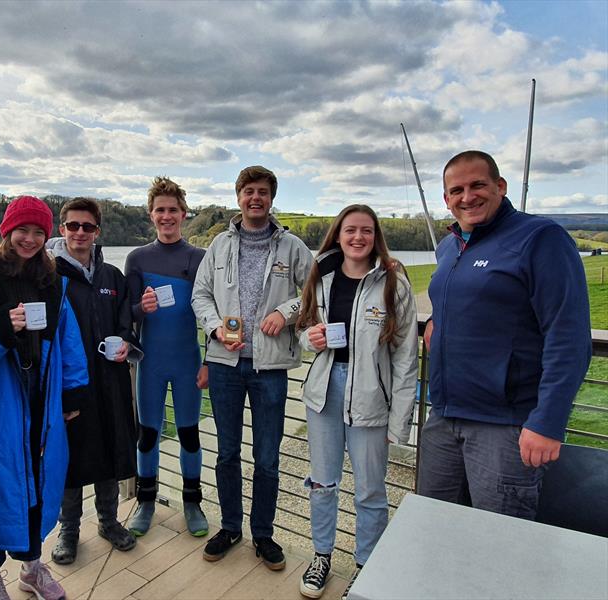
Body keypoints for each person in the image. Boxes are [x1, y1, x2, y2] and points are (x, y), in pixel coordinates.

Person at [418, 150, 591, 519]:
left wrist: (548, 421)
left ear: (500, 186)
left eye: (477, 185)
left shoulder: (541, 238)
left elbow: (569, 335)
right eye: (456, 190)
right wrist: (437, 321)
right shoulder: (449, 246)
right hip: (444, 416)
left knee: (500, 544)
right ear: (446, 200)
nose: (468, 197)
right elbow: (469, 298)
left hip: (505, 426)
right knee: (432, 527)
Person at [0, 196, 89, 600]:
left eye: (39, 231)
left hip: (43, 396)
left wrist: (73, 392)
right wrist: (2, 326)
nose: (31, 239)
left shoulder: (52, 281)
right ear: (7, 230)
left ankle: (32, 568)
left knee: (38, 477)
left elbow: (68, 341)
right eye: (23, 230)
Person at [192, 165, 314, 569]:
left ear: (272, 197)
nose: (255, 198)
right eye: (248, 191)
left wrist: (287, 310)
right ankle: (230, 527)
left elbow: (315, 294)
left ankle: (263, 534)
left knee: (266, 458)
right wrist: (214, 329)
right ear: (238, 196)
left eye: (262, 191)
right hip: (225, 364)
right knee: (226, 453)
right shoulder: (219, 246)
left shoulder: (292, 246)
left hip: (271, 368)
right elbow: (201, 296)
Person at [295, 205, 418, 597]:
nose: (358, 238)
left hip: (371, 398)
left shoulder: (393, 282)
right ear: (338, 234)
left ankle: (368, 565)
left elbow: (405, 356)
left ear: (375, 235)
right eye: (350, 230)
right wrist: (308, 338)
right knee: (323, 483)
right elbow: (303, 330)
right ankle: (321, 556)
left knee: (369, 490)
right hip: (325, 393)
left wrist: (399, 422)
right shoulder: (322, 276)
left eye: (366, 230)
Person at [46, 198, 139, 564]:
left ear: (97, 231)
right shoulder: (49, 276)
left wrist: (127, 344)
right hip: (70, 384)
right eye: (73, 226)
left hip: (111, 380)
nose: (80, 233)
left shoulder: (112, 276)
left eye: (87, 227)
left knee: (111, 447)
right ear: (62, 229)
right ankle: (68, 529)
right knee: (70, 456)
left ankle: (109, 521)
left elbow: (124, 325)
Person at [124, 177, 209, 537]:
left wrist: (210, 361)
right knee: (148, 435)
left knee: (190, 434)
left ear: (184, 214)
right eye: (160, 209)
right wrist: (140, 308)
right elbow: (126, 315)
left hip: (188, 361)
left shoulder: (199, 258)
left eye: (173, 209)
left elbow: (212, 313)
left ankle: (192, 503)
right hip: (151, 363)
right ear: (151, 215)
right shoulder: (138, 258)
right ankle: (145, 501)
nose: (167, 215)